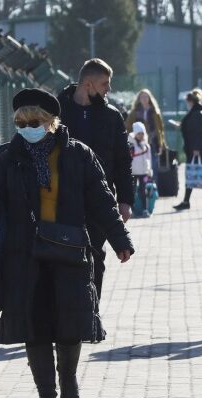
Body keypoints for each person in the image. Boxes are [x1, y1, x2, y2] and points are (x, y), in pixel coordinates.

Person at [0, 88, 134, 398]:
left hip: (70, 251)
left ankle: (68, 378)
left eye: (35, 121)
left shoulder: (78, 155)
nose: (28, 127)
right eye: (21, 122)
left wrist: (121, 239)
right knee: (35, 328)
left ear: (51, 122)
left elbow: (102, 200)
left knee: (70, 323)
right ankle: (46, 397)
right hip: (24, 255)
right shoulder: (8, 156)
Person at [58, 58, 133, 299]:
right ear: (88, 84)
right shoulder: (57, 111)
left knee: (95, 256)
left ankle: (91, 313)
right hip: (63, 197)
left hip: (100, 198)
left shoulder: (112, 117)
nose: (108, 90)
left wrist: (125, 200)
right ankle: (66, 314)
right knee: (65, 255)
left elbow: (123, 161)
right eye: (104, 84)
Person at [174, 88, 202, 210]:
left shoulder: (196, 114)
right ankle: (186, 201)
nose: (187, 103)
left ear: (191, 101)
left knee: (195, 173)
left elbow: (199, 133)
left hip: (196, 149)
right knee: (194, 173)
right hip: (194, 148)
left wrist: (196, 148)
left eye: (188, 101)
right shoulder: (196, 113)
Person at [125, 88, 167, 175]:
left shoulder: (156, 112)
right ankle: (141, 187)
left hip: (153, 143)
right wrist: (131, 139)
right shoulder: (134, 112)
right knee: (140, 168)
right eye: (142, 97)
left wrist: (162, 144)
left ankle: (153, 187)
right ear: (139, 99)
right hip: (138, 144)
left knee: (154, 167)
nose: (144, 99)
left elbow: (160, 129)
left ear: (150, 98)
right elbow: (128, 127)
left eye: (146, 97)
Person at [129, 122, 153, 218]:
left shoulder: (146, 146)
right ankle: (132, 210)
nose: (141, 135)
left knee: (143, 191)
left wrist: (149, 171)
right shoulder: (131, 145)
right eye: (139, 133)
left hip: (144, 172)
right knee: (132, 191)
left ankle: (145, 209)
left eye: (142, 133)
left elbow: (149, 158)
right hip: (133, 172)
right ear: (135, 134)